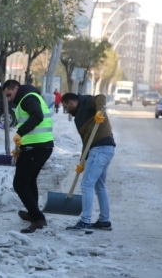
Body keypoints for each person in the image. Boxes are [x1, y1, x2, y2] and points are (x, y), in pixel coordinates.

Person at [2, 80, 53, 234]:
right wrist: (20, 145)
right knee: (29, 181)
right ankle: (33, 213)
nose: (9, 99)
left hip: (36, 147)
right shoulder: (28, 97)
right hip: (40, 146)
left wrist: (20, 133)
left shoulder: (28, 98)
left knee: (20, 184)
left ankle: (38, 218)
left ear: (16, 88)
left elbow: (37, 116)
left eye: (9, 95)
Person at [61, 92, 115, 231]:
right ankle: (104, 220)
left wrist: (99, 112)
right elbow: (86, 140)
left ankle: (85, 221)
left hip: (100, 149)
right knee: (99, 186)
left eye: (66, 107)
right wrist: (83, 161)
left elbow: (101, 97)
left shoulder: (86, 102)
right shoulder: (78, 118)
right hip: (103, 149)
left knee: (86, 184)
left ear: (72, 102)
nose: (66, 110)